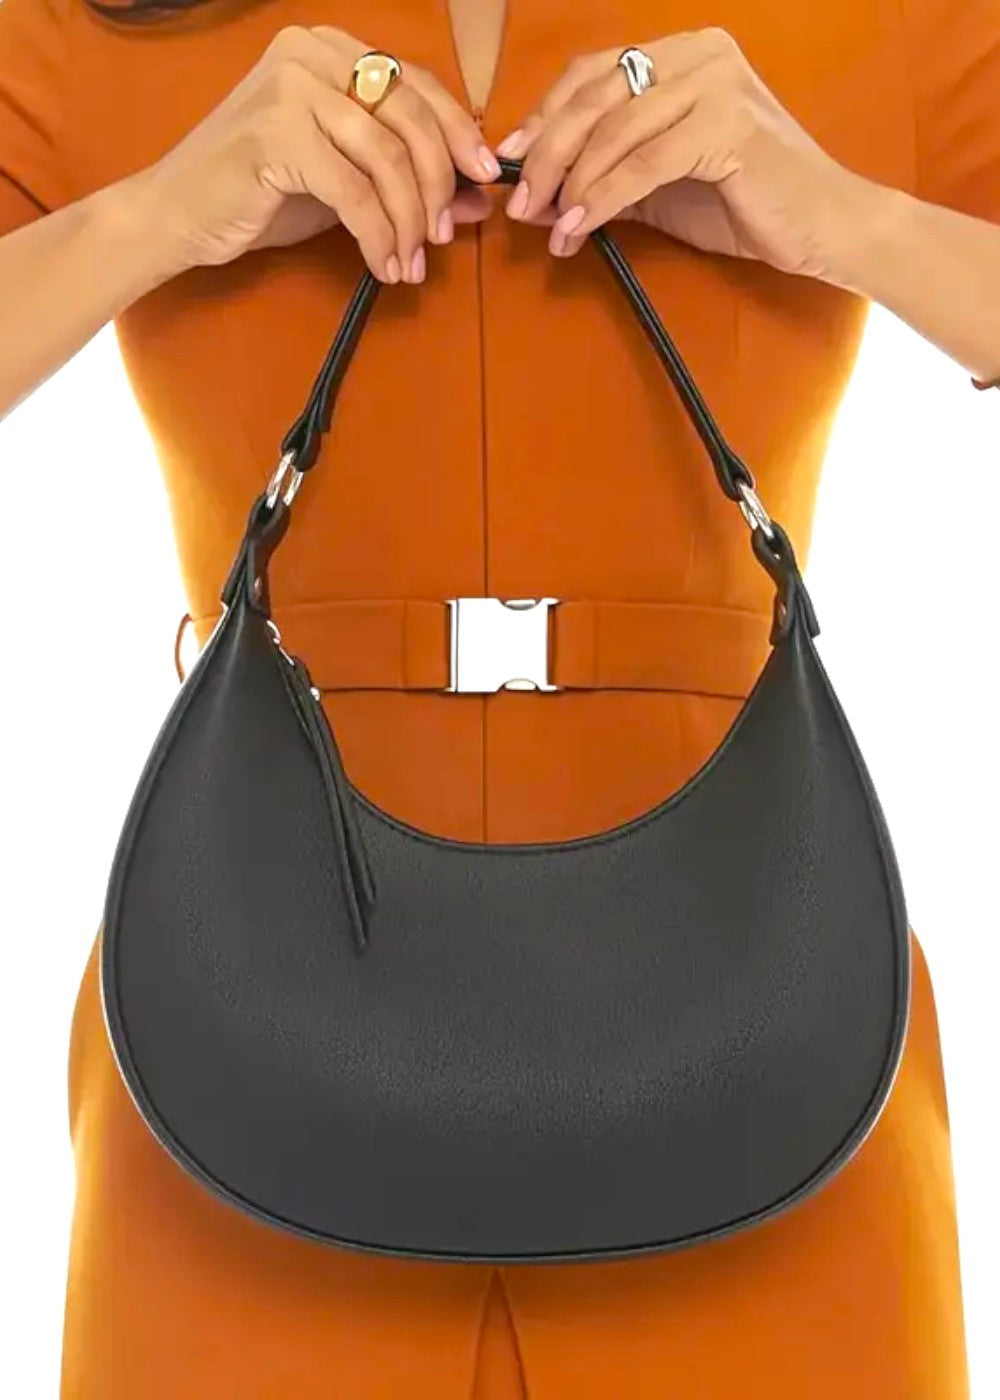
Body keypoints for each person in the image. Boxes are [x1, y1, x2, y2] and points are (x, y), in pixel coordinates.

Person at [1, 0, 996, 1395]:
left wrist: (849, 219)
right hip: (243, 1093)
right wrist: (159, 213)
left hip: (764, 1082)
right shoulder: (89, 23)